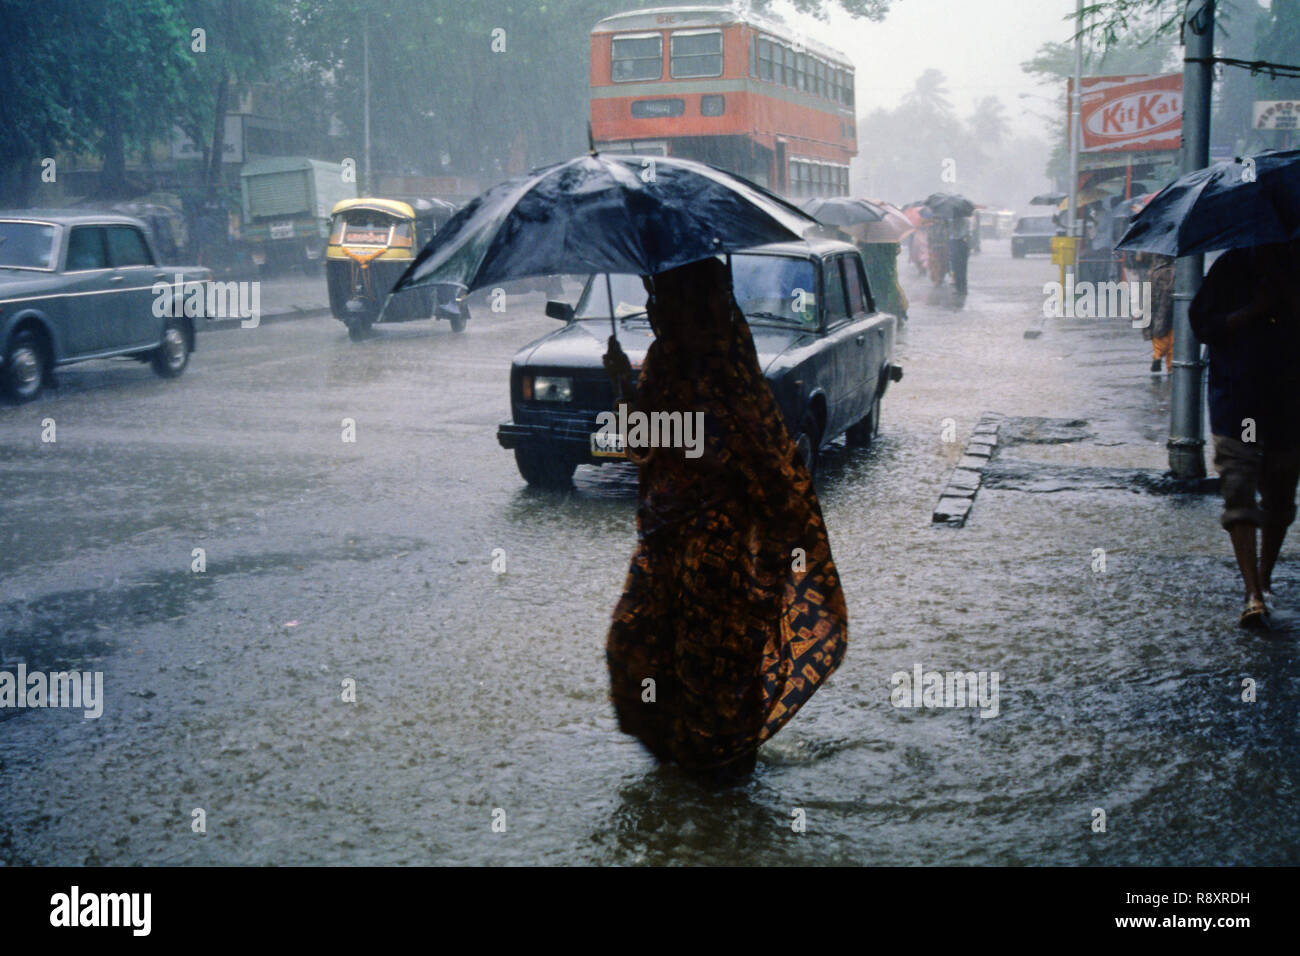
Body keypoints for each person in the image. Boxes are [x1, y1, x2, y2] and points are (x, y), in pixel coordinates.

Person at [601, 256, 848, 777]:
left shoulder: (727, 368)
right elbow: (642, 443)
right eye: (649, 299)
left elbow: (743, 454)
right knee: (634, 643)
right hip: (663, 542)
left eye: (660, 299)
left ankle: (724, 789)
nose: (651, 310)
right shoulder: (662, 359)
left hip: (721, 554)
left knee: (712, 671)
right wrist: (625, 387)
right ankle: (675, 768)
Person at [1189, 240, 1300, 628]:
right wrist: (1254, 310)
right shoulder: (1231, 266)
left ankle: (1265, 578)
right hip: (1241, 403)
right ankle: (1252, 592)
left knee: (1280, 491)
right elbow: (1203, 325)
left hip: (1288, 402)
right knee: (1239, 481)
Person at [1138, 252, 1175, 373]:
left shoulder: (1152, 273)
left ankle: (1157, 355)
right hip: (1169, 308)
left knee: (1158, 332)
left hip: (1154, 307)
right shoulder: (1173, 272)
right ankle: (1170, 367)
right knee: (1171, 337)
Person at [948, 212, 972, 297]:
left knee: (957, 268)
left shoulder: (953, 221)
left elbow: (951, 233)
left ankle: (959, 288)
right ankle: (963, 288)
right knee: (963, 268)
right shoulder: (967, 220)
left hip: (956, 244)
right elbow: (968, 233)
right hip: (964, 244)